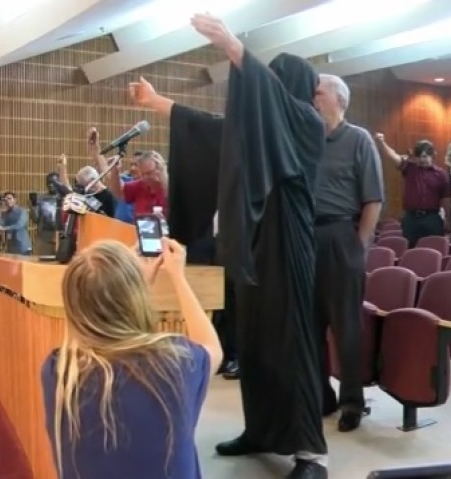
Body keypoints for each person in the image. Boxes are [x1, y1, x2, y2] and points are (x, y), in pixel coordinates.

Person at [128, 13, 329, 478]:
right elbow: (213, 128)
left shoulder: (306, 123)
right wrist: (158, 101)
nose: (262, 92)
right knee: (255, 340)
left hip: (290, 243)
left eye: (273, 82)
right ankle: (260, 429)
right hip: (255, 242)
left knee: (292, 341)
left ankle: (310, 453)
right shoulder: (259, 132)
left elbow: (271, 99)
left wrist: (232, 45)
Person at [41, 239, 222, 479]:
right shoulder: (174, 361)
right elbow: (212, 348)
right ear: (134, 298)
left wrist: (127, 280)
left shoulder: (60, 370)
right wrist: (178, 277)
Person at [313, 73, 384, 432]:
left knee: (346, 327)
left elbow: (373, 198)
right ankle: (321, 395)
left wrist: (359, 245)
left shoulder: (358, 140)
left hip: (342, 233)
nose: (313, 98)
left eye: (318, 92)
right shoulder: (305, 139)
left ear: (339, 99)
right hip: (306, 237)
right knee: (310, 327)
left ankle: (352, 401)